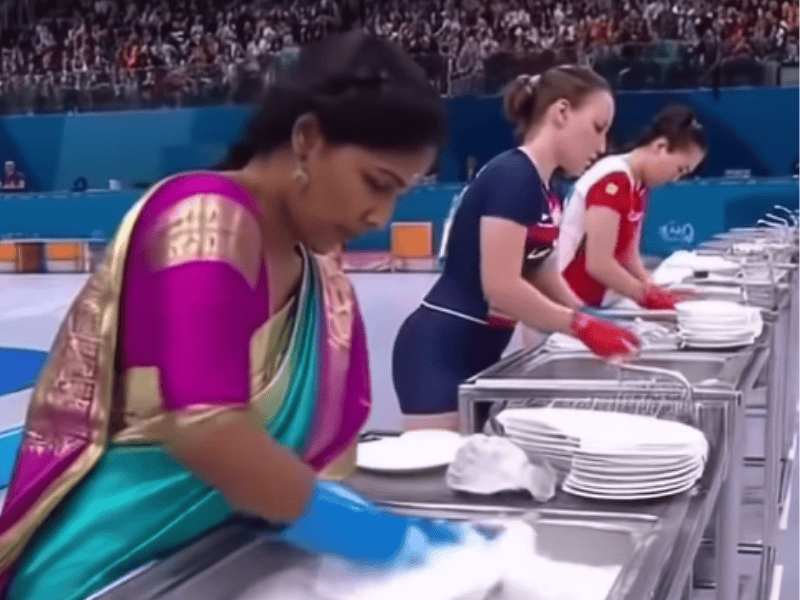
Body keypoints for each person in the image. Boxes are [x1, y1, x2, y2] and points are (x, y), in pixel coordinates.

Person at [0, 32, 468, 600]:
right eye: (376, 184)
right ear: (307, 139)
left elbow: (303, 456)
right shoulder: (205, 219)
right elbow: (207, 426)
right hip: (111, 570)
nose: (380, 215)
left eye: (401, 195)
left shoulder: (320, 275)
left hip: (217, 555)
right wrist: (377, 538)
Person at [393, 66, 641, 432]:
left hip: (481, 351)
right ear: (561, 113)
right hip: (439, 351)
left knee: (472, 472)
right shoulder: (513, 176)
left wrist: (593, 318)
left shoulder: (547, 191)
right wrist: (581, 325)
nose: (602, 147)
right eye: (597, 128)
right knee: (435, 480)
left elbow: (540, 273)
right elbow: (502, 287)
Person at [558, 105, 708, 309]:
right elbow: (598, 264)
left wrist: (653, 287)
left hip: (600, 301)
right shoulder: (613, 180)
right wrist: (646, 296)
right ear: (661, 146)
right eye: (680, 169)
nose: (676, 178)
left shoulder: (638, 184)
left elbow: (628, 254)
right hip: (570, 300)